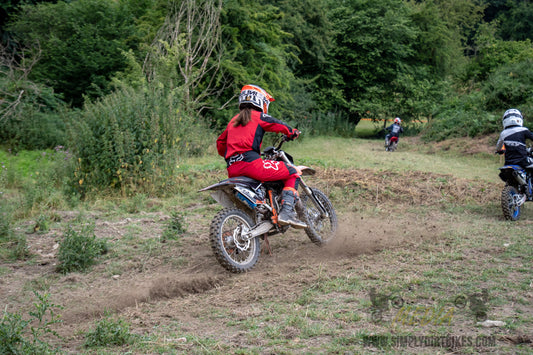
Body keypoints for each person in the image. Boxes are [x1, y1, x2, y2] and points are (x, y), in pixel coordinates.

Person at [216, 84, 307, 229]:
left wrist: (234, 153)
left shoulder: (233, 120)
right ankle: (287, 212)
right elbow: (278, 124)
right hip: (252, 165)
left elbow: (221, 144)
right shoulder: (258, 116)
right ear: (260, 101)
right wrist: (292, 132)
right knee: (292, 171)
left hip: (232, 168)